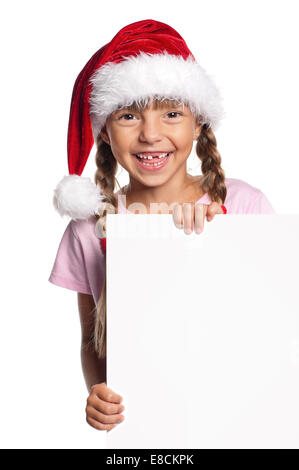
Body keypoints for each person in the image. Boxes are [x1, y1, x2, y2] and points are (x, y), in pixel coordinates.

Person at [48, 19, 276, 432]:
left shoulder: (243, 207)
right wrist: (98, 390)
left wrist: (217, 245)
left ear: (198, 123)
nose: (151, 134)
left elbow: (271, 328)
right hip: (147, 432)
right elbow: (90, 339)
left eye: (172, 112)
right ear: (104, 132)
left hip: (237, 423)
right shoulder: (88, 228)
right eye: (129, 115)